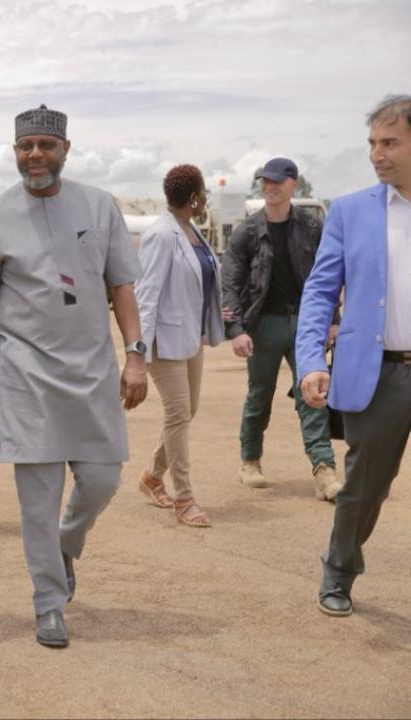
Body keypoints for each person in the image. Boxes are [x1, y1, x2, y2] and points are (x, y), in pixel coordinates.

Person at [0, 105, 147, 649]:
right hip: (27, 375)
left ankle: (67, 544)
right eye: (26, 147)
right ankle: (48, 602)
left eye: (46, 145)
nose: (36, 155)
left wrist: (135, 355)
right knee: (37, 502)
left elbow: (121, 287)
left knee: (102, 480)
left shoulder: (99, 205)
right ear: (15, 152)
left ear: (65, 148)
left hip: (92, 370)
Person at [298, 93, 411, 617]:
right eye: (372, 143)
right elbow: (320, 293)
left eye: (390, 142)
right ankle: (339, 572)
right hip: (379, 375)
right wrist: (312, 361)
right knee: (363, 490)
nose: (376, 154)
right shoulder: (349, 212)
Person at [222, 157, 341, 500]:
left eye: (276, 181)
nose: (269, 187)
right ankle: (250, 460)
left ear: (294, 184)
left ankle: (324, 469)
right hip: (264, 324)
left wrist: (333, 319)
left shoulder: (312, 225)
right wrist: (236, 329)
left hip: (307, 322)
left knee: (313, 394)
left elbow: (328, 274)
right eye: (265, 181)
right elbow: (230, 282)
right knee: (260, 395)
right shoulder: (247, 230)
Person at [134, 164, 224, 528]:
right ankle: (184, 498)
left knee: (188, 411)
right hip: (163, 342)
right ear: (194, 196)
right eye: (203, 192)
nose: (206, 198)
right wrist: (137, 353)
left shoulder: (192, 232)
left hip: (190, 337)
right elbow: (146, 295)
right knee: (177, 414)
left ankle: (152, 477)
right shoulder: (161, 235)